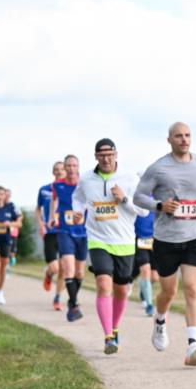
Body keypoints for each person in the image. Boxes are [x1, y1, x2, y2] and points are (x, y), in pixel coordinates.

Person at [134, 122, 196, 366]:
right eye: (178, 136)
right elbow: (138, 197)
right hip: (166, 240)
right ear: (169, 140)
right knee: (169, 292)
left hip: (195, 237)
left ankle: (193, 346)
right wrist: (160, 205)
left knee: (193, 288)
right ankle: (160, 320)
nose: (184, 139)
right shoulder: (158, 168)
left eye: (187, 135)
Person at [72, 138, 146, 354]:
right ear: (96, 156)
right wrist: (78, 212)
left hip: (124, 241)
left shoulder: (130, 178)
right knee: (104, 285)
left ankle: (115, 327)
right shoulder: (86, 179)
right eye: (101, 155)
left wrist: (124, 199)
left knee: (121, 291)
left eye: (109, 154)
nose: (106, 159)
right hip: (98, 239)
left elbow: (143, 211)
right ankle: (108, 338)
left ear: (116, 155)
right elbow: (78, 198)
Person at [50, 155, 88, 321]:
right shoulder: (57, 185)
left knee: (80, 273)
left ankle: (72, 300)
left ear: (78, 167)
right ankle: (74, 306)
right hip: (64, 231)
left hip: (83, 232)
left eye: (74, 165)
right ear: (64, 168)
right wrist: (52, 217)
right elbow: (54, 202)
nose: (72, 168)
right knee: (69, 270)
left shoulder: (85, 184)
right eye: (69, 166)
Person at [37, 161, 67, 310]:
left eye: (62, 169)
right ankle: (48, 274)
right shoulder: (44, 190)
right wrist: (41, 224)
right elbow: (38, 209)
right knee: (55, 268)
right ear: (53, 172)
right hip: (50, 232)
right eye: (56, 169)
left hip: (65, 232)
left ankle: (57, 298)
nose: (59, 171)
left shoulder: (71, 189)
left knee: (64, 268)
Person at [134, 210, 159, 315]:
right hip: (139, 240)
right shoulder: (137, 201)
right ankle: (149, 305)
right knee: (145, 270)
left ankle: (143, 291)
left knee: (155, 277)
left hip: (155, 241)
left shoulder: (159, 202)